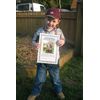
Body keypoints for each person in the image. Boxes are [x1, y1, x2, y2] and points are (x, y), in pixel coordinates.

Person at [27, 8, 65, 100]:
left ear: (58, 22)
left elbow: (63, 40)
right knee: (39, 78)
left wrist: (61, 42)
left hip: (54, 61)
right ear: (45, 18)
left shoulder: (58, 32)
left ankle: (58, 91)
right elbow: (33, 41)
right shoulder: (40, 31)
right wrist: (35, 44)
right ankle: (35, 92)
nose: (50, 23)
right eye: (48, 19)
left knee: (56, 78)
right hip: (42, 60)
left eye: (53, 21)